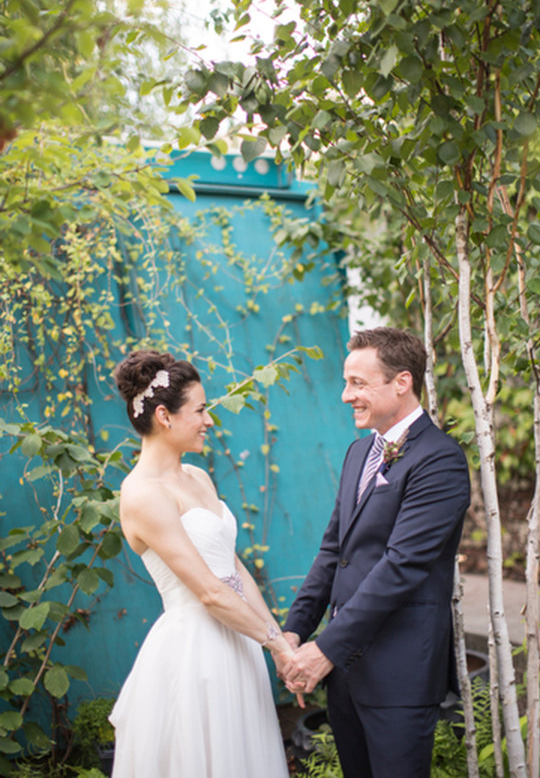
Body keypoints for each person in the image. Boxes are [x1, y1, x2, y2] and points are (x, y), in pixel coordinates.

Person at [282, 327, 471, 778]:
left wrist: (325, 648)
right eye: (346, 382)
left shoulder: (440, 460)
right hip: (347, 673)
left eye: (358, 383)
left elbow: (401, 568)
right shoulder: (358, 453)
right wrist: (295, 630)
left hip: (398, 675)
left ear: (402, 382)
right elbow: (335, 551)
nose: (346, 395)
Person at [109, 349, 292, 778]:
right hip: (197, 655)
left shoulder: (199, 477)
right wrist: (278, 646)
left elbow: (234, 569)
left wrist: (277, 642)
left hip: (240, 642)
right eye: (200, 410)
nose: (209, 420)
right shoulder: (142, 494)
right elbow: (209, 591)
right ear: (164, 416)